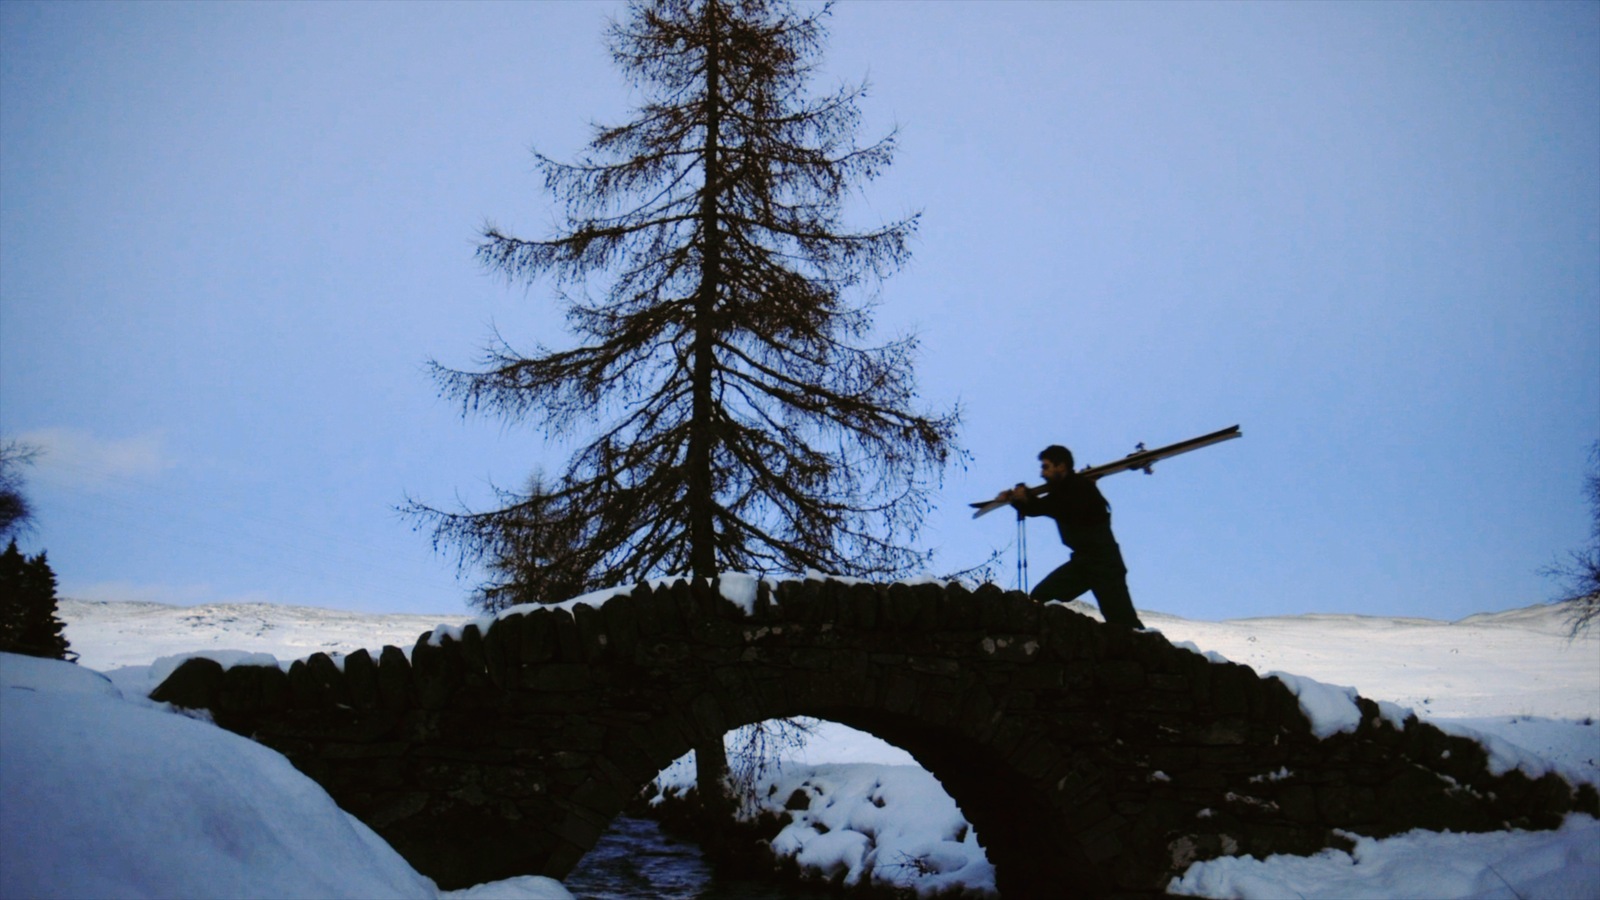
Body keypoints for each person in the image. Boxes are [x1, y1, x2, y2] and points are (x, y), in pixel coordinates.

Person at [995, 444, 1145, 628]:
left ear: (1061, 466)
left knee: (1122, 621)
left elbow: (1049, 506)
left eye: (1046, 467)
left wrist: (1022, 498)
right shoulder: (1065, 490)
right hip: (1085, 561)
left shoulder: (1078, 488)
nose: (1042, 473)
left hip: (1105, 563)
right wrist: (1017, 500)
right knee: (1040, 597)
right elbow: (1042, 507)